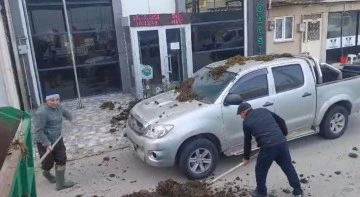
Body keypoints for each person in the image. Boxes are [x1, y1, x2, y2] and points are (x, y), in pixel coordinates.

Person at [237, 102, 303, 197]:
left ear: (243, 112)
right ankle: (298, 192)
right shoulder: (264, 110)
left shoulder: (246, 122)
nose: (241, 117)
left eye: (240, 114)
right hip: (281, 143)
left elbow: (247, 141)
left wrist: (246, 157)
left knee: (260, 170)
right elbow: (281, 121)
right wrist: (283, 135)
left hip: (268, 148)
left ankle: (261, 192)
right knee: (288, 167)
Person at [34, 91, 75, 191]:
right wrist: (47, 144)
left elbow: (64, 112)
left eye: (57, 100)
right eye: (52, 100)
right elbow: (38, 131)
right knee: (48, 163)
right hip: (44, 141)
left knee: (61, 159)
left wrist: (70, 118)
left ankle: (60, 183)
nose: (55, 102)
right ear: (46, 100)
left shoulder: (58, 107)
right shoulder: (42, 113)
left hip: (57, 138)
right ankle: (46, 173)